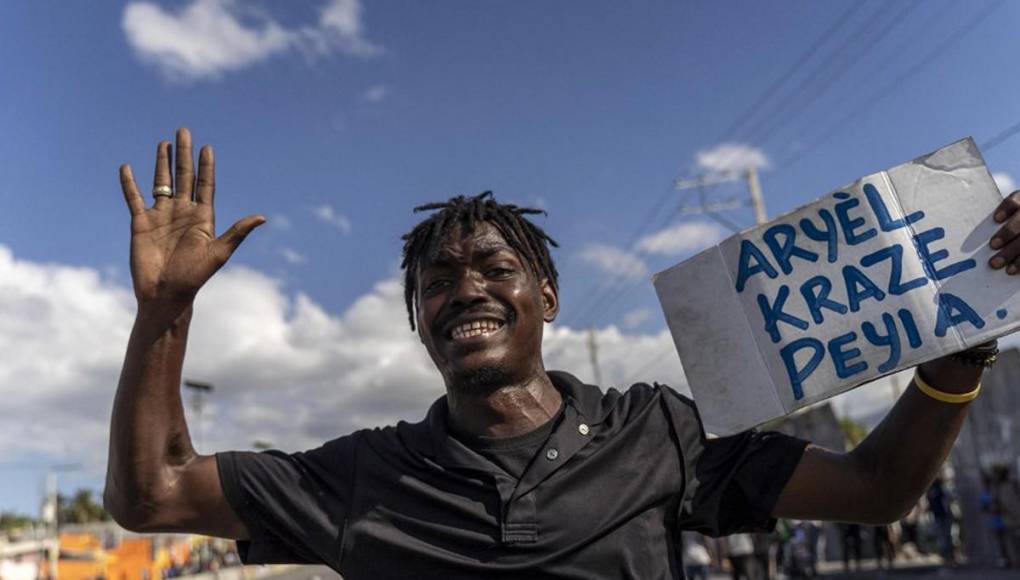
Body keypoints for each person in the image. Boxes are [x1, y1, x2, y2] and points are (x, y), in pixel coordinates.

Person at [105, 128, 1009, 579]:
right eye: (437, 281)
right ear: (419, 323)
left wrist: (959, 352)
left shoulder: (657, 433)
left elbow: (876, 490)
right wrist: (166, 313)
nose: (465, 288)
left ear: (548, 298)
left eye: (497, 267)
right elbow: (151, 495)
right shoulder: (361, 474)